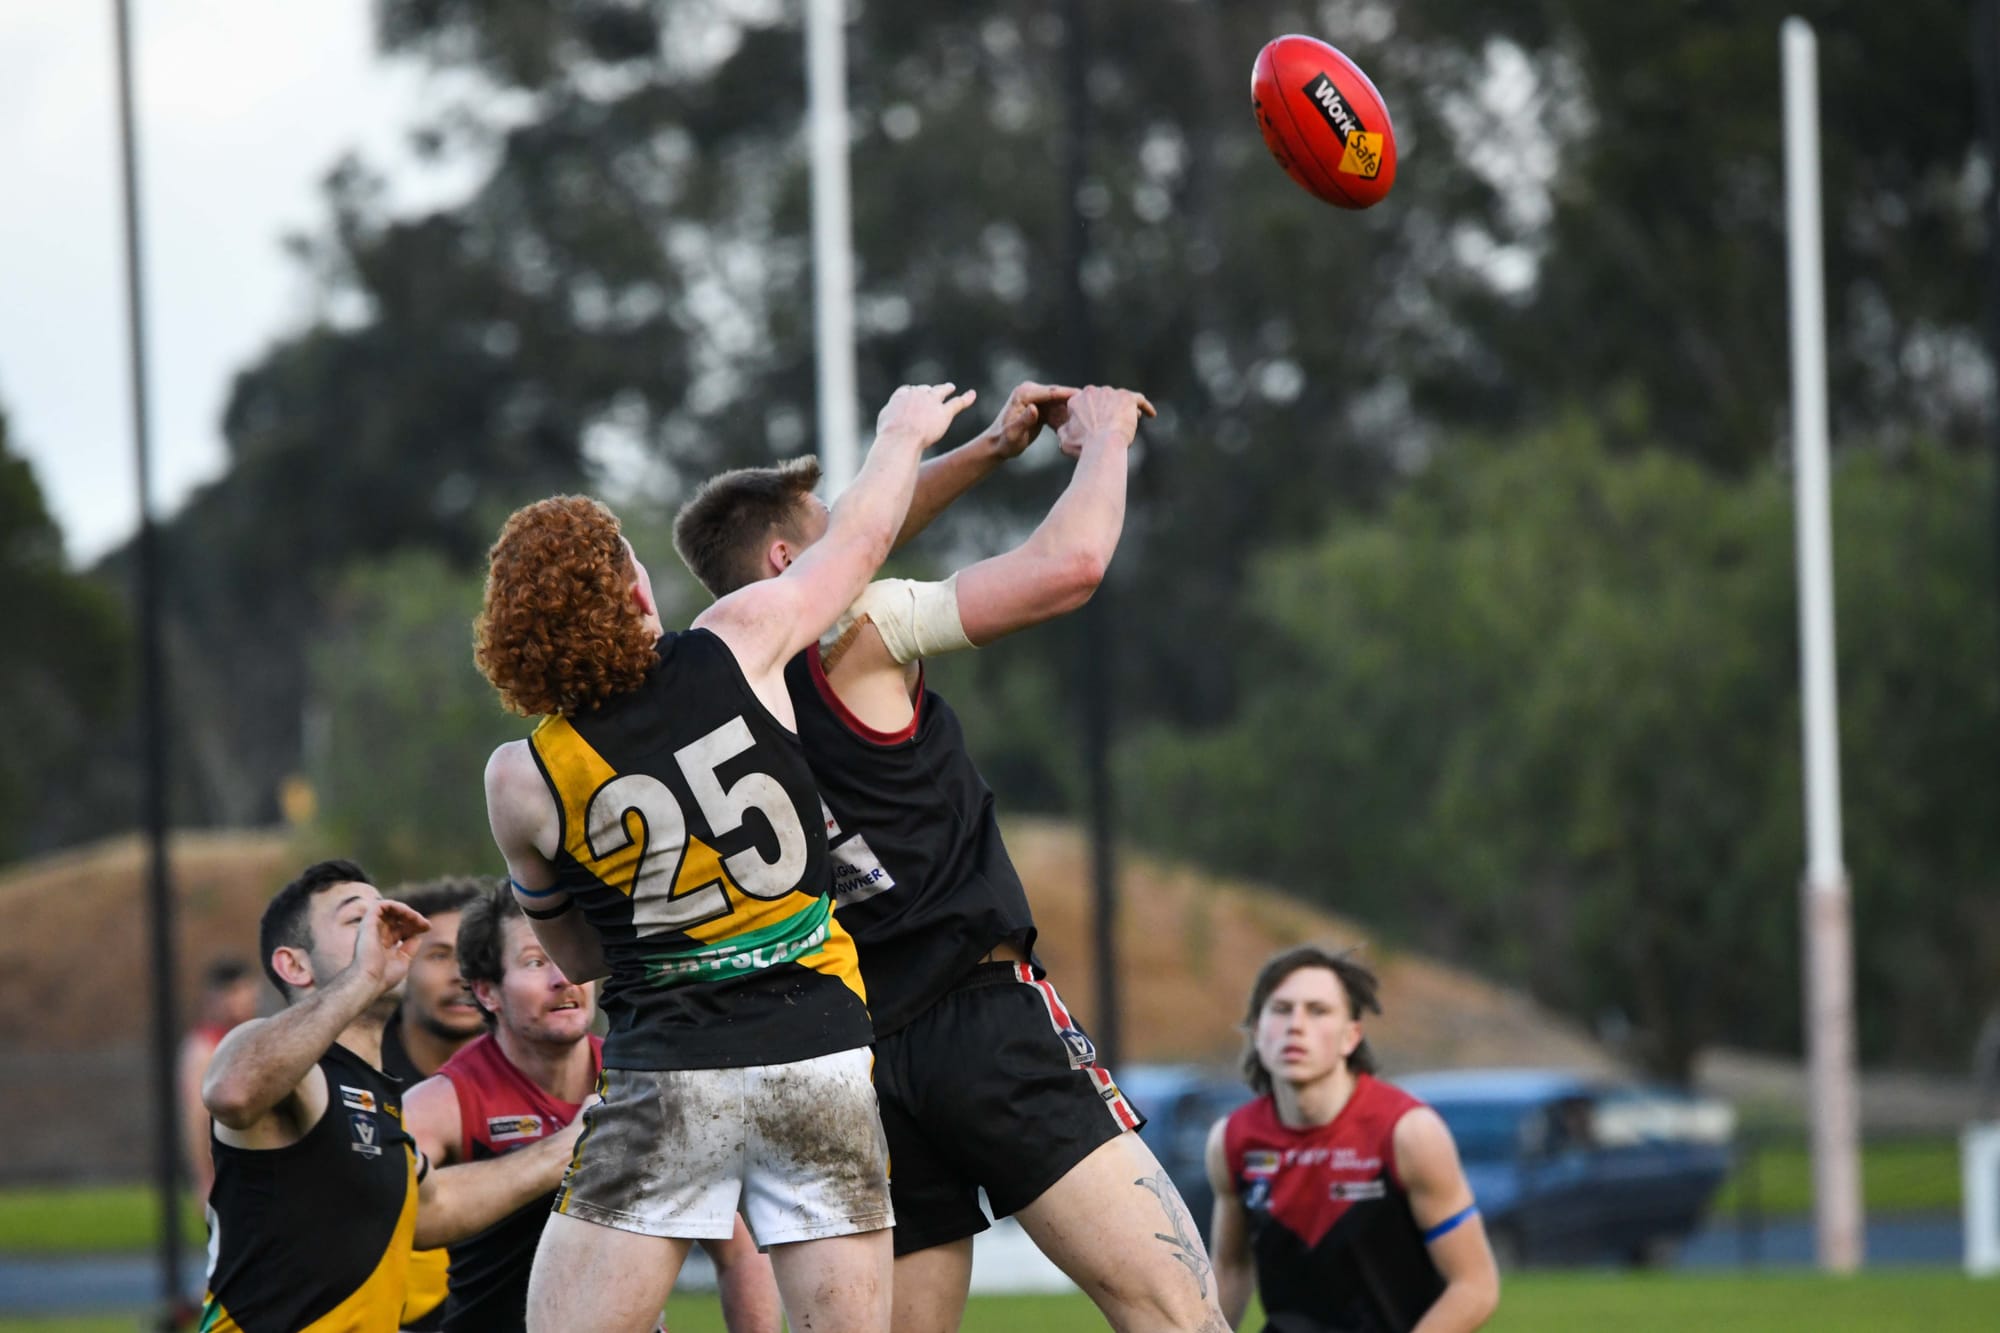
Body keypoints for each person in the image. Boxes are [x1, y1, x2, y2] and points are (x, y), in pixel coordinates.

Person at [671, 382, 1229, 1333]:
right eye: (835, 528)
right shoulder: (865, 629)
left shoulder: (700, 695)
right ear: (787, 558)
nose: (868, 533)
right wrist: (1106, 438)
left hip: (855, 1059)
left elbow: (860, 530)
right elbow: (1073, 564)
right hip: (983, 1026)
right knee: (1176, 1311)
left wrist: (987, 450)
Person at [475, 382, 976, 1333]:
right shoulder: (734, 641)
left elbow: (579, 958)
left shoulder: (521, 775)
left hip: (668, 1075)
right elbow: (857, 543)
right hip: (817, 1051)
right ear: (631, 587)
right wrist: (901, 434)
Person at [199, 859, 589, 1333]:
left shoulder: (375, 1093)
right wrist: (364, 977)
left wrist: (569, 1145)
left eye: (383, 911)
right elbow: (232, 1091)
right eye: (355, 919)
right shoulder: (274, 1054)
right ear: (295, 965)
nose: (382, 928)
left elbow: (433, 1207)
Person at [401, 883, 782, 1333]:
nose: (563, 978)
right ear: (487, 992)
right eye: (535, 962)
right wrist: (569, 1147)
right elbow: (398, 1218)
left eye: (568, 957)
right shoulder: (443, 1101)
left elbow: (738, 1251)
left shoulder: (652, 1082)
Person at [1204, 947, 1499, 1332]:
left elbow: (1475, 1286)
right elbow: (1231, 1268)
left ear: (1351, 1036)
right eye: (1280, 1009)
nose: (1296, 1025)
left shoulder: (1408, 1133)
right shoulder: (1232, 1140)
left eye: (1318, 1010)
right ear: (1258, 1032)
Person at [380, 877, 490, 1333]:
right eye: (440, 955)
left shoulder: (539, 1069)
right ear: (399, 963)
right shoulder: (354, 1070)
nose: (460, 975)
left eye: (474, 957)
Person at [179, 958, 262, 1201]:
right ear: (213, 999)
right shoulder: (203, 1049)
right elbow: (197, 1117)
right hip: (228, 1173)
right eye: (233, 993)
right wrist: (204, 1178)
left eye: (247, 991)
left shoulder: (257, 1039)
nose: (243, 1000)